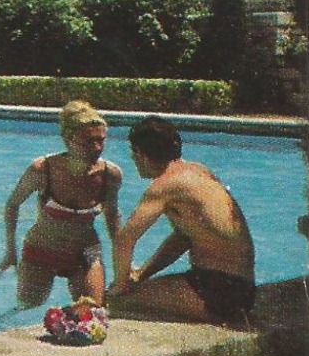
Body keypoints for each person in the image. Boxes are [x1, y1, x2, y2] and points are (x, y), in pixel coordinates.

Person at [107, 116, 257, 325]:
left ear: (139, 154)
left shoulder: (165, 186)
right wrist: (141, 274)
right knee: (138, 291)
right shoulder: (199, 171)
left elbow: (125, 240)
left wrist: (120, 285)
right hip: (242, 291)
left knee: (118, 302)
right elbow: (183, 239)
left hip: (215, 292)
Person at [0, 101, 123, 308]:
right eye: (89, 141)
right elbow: (13, 204)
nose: (97, 148)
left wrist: (123, 265)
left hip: (85, 254)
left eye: (102, 140)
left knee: (93, 312)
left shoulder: (110, 174)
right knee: (26, 309)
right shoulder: (42, 169)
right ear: (68, 139)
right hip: (41, 252)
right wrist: (11, 251)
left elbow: (112, 218)